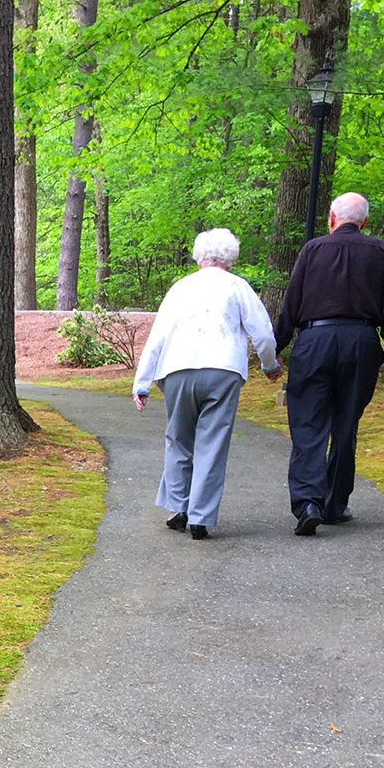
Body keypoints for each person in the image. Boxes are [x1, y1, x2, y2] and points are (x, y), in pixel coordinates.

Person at [132, 228, 281, 540]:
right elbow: (263, 333)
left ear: (199, 255)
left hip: (177, 369)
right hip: (223, 370)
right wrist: (270, 366)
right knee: (212, 444)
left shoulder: (180, 288)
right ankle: (200, 517)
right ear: (230, 256)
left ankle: (178, 507)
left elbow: (157, 337)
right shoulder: (238, 287)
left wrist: (142, 383)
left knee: (178, 439)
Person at [273, 191, 384, 536]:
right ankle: (334, 503)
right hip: (361, 342)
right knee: (346, 424)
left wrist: (275, 349)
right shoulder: (380, 251)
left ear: (331, 218)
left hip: (315, 341)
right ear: (364, 222)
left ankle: (308, 503)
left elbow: (292, 301)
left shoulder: (313, 249)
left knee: (308, 425)